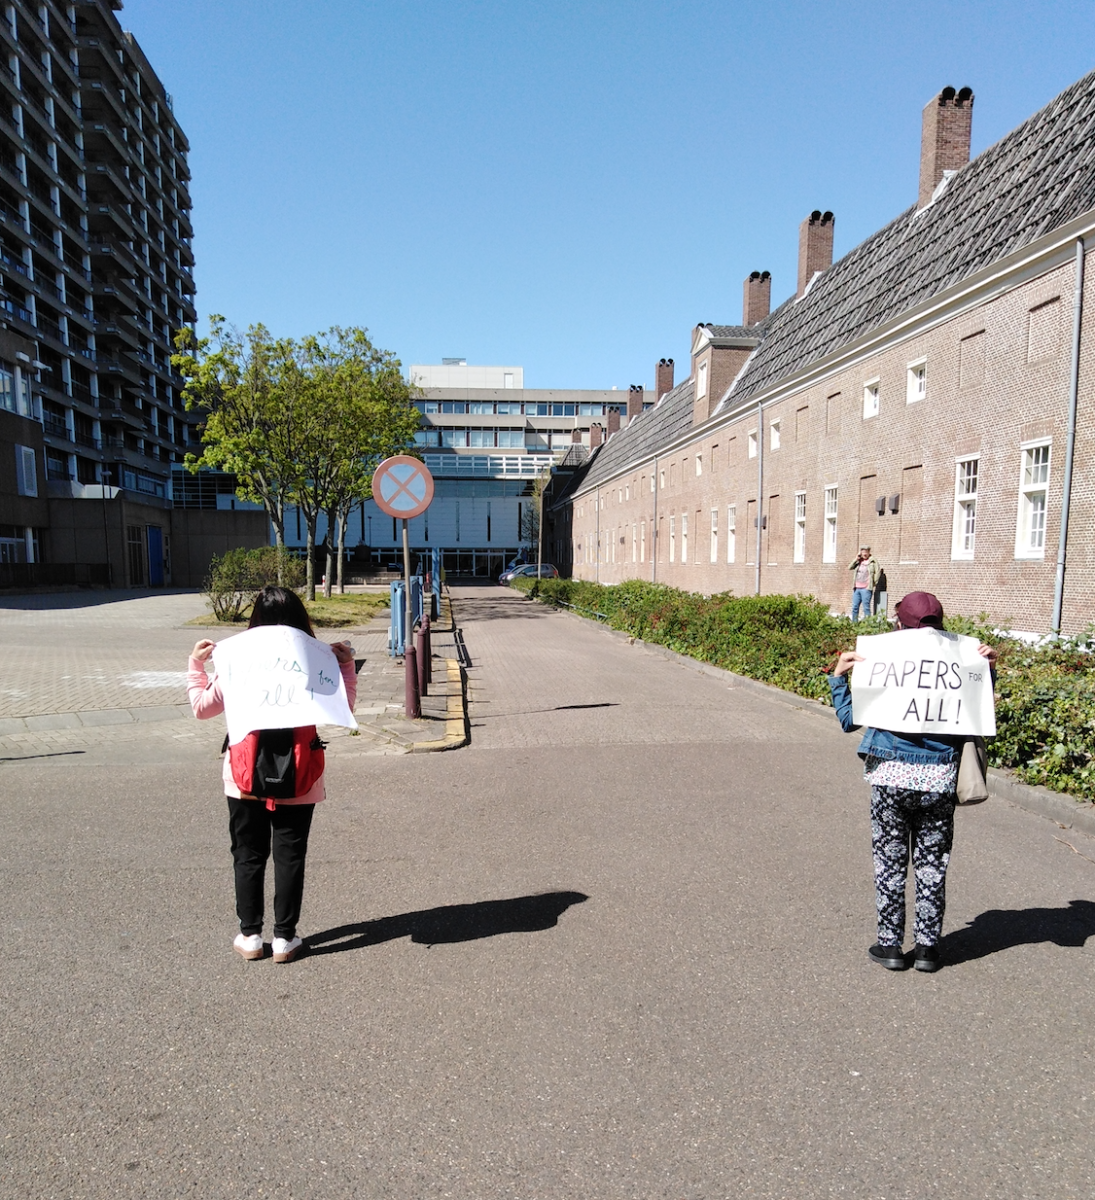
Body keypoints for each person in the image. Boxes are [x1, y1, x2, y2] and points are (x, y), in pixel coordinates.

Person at [829, 591, 997, 972]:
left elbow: (848, 721)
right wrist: (986, 669)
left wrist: (839, 676)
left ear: (899, 624)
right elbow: (978, 711)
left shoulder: (884, 657)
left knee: (890, 863)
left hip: (889, 777)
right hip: (940, 779)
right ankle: (927, 950)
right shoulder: (961, 660)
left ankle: (889, 946)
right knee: (932, 865)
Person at [188, 586, 357, 964]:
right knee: (290, 854)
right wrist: (345, 666)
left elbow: (202, 708)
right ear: (300, 621)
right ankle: (284, 939)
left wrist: (196, 667)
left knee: (247, 854)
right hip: (300, 774)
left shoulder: (238, 661)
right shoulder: (315, 660)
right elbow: (342, 708)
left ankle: (250, 935)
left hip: (244, 774)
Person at [848, 546, 880, 622]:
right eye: (863, 552)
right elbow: (850, 567)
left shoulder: (873, 561)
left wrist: (873, 583)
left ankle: (868, 624)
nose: (864, 554)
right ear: (860, 553)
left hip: (866, 588)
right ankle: (854, 624)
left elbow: (877, 573)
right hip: (857, 588)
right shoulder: (858, 561)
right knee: (855, 607)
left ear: (869, 552)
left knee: (866, 607)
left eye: (866, 552)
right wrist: (856, 559)